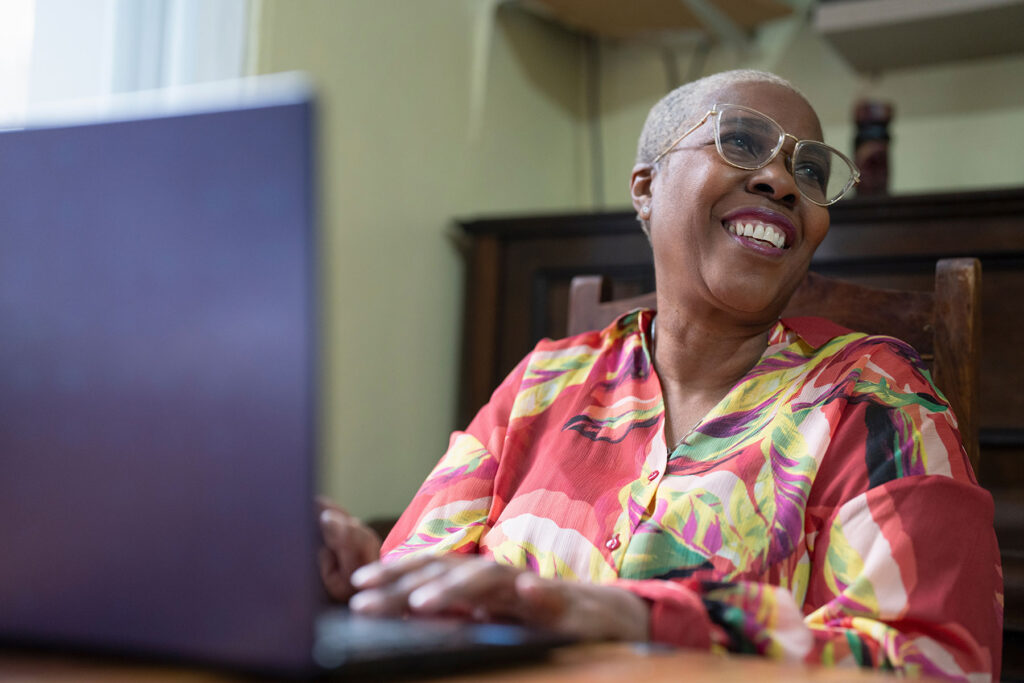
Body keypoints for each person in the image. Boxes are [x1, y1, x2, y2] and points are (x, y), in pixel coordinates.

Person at [319, 69, 1003, 681]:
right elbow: (413, 585)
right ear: (645, 189)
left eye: (811, 172)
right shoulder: (546, 379)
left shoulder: (874, 400)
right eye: (740, 141)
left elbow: (935, 662)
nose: (781, 181)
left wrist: (636, 618)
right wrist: (350, 570)